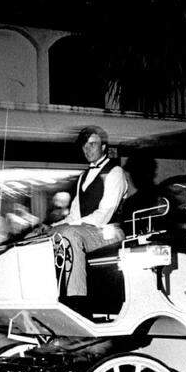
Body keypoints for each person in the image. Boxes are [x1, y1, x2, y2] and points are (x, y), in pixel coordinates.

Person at [51, 126, 134, 297]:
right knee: (45, 236)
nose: (87, 149)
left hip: (110, 232)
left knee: (70, 234)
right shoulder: (83, 176)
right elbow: (74, 215)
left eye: (92, 144)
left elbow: (104, 214)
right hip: (86, 229)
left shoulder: (115, 172)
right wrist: (52, 226)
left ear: (103, 147)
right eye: (84, 146)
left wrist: (68, 226)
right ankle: (51, 291)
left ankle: (76, 297)